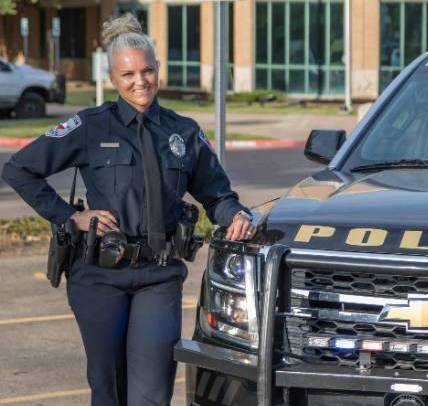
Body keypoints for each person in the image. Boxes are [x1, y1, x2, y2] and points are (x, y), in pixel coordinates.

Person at [1, 14, 255, 406]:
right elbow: (20, 169)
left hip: (159, 277)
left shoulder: (183, 132)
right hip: (99, 276)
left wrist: (237, 215)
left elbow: (218, 195)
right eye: (129, 74)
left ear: (158, 70)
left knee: (151, 393)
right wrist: (70, 215)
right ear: (114, 78)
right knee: (108, 390)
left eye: (148, 71)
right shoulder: (90, 126)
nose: (140, 81)